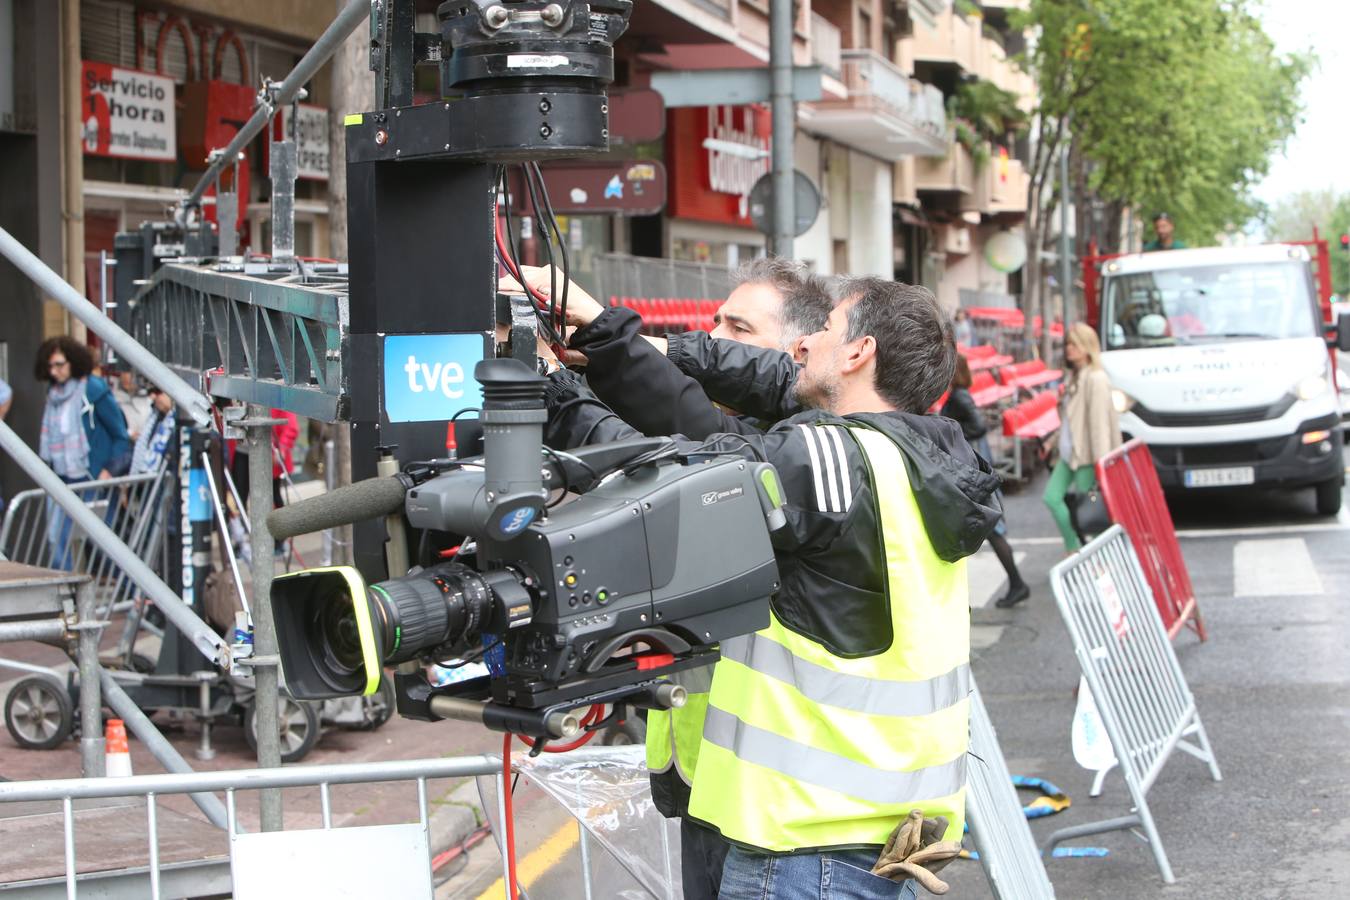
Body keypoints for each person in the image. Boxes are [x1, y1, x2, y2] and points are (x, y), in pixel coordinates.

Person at [542, 277, 1002, 900]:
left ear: (859, 352)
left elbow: (675, 481)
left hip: (799, 849)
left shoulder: (823, 456)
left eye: (825, 330)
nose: (805, 343)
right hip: (868, 831)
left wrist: (559, 396)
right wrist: (611, 334)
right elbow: (771, 381)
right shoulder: (930, 455)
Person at [504, 258, 831, 900]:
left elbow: (674, 447)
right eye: (712, 322)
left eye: (735, 329)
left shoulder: (800, 452)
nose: (711, 340)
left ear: (797, 358)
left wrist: (567, 372)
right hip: (711, 787)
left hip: (784, 809)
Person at [35, 336, 131, 568]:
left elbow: (120, 435)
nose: (54, 371)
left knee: (105, 545)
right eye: (50, 366)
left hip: (92, 479)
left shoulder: (93, 389)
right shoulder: (54, 393)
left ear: (73, 362)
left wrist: (108, 470)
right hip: (62, 477)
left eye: (59, 364)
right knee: (56, 540)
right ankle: (67, 598)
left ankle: (133, 592)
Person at [942, 356, 1030, 607]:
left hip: (973, 475)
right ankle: (1015, 583)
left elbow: (978, 427)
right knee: (989, 530)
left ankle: (1016, 583)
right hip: (973, 473)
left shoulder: (959, 397)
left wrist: (952, 431)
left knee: (993, 530)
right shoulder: (960, 395)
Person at [1043, 324, 1123, 553]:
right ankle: (1074, 547)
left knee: (1092, 511)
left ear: (1087, 347)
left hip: (1087, 455)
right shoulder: (1076, 376)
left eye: (1074, 344)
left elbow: (1098, 425)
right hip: (1070, 454)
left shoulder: (1095, 378)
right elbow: (1070, 421)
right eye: (1068, 343)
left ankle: (1103, 557)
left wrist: (1101, 462)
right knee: (1052, 498)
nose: (1069, 348)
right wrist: (1052, 442)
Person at [111, 369, 152, 441]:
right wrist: (128, 433)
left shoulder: (147, 399)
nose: (126, 378)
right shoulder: (115, 398)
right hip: (125, 441)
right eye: (124, 373)